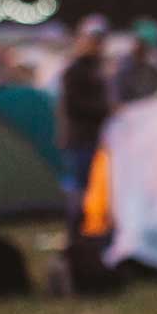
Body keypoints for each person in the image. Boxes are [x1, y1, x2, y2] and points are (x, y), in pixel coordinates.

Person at [59, 27, 112, 192]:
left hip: (95, 135)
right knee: (81, 182)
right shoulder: (75, 71)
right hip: (81, 136)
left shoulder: (97, 69)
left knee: (91, 182)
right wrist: (105, 109)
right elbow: (74, 105)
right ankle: (75, 215)